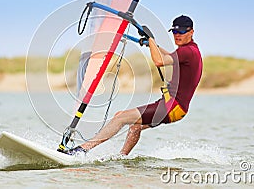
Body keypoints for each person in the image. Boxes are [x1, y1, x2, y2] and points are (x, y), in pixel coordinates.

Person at [65, 15, 202, 155]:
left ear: (191, 32)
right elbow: (170, 57)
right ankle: (122, 157)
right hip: (174, 108)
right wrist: (153, 45)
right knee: (134, 126)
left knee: (120, 118)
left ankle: (82, 150)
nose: (177, 35)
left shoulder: (187, 51)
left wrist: (151, 40)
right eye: (174, 32)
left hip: (170, 107)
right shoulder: (191, 50)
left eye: (182, 32)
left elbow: (159, 61)